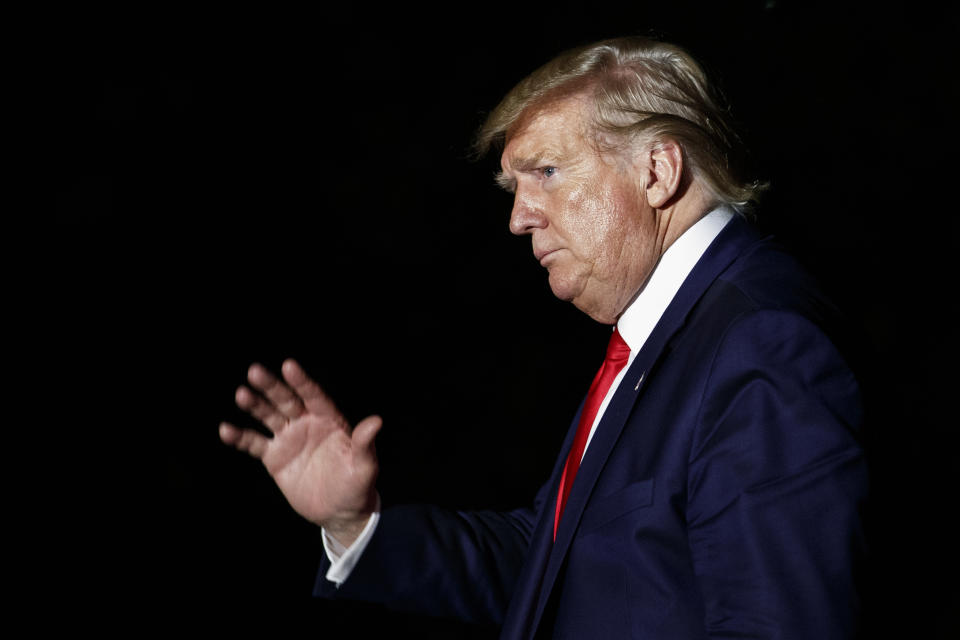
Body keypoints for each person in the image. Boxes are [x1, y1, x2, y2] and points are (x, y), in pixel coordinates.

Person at [219, 37, 867, 638]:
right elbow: (556, 566)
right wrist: (356, 527)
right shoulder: (671, 333)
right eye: (513, 187)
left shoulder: (761, 344)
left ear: (658, 171)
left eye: (547, 173)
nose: (518, 217)